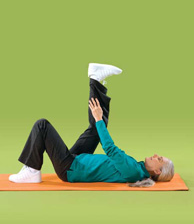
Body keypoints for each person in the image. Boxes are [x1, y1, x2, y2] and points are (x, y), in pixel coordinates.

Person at [9, 63, 174, 187]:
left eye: (159, 159)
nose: (155, 155)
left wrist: (99, 119)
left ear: (158, 171)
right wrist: (98, 121)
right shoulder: (137, 168)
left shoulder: (133, 171)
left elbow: (109, 148)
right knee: (96, 129)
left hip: (70, 169)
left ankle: (32, 170)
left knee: (42, 126)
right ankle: (96, 79)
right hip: (79, 161)